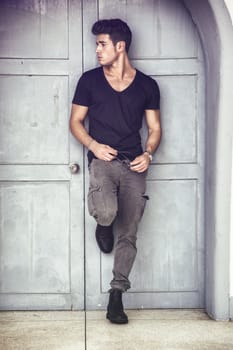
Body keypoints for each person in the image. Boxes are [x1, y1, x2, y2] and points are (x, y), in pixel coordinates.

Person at [70, 18, 161, 324]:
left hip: (134, 164)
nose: (97, 50)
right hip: (103, 162)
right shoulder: (89, 81)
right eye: (97, 44)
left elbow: (154, 128)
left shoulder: (147, 86)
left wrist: (148, 154)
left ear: (120, 46)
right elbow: (75, 122)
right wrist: (94, 146)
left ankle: (116, 295)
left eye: (102, 43)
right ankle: (103, 223)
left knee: (130, 232)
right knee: (108, 214)